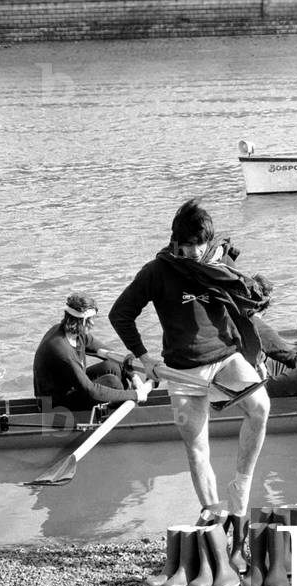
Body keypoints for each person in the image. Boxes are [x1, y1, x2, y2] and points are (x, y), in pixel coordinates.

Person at [109, 199, 270, 528]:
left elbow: (243, 312)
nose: (196, 251)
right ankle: (212, 513)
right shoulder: (157, 271)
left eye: (201, 243)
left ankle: (240, 486)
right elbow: (120, 315)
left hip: (225, 358)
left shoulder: (218, 266)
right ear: (176, 242)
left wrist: (258, 356)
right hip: (181, 370)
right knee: (197, 447)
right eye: (188, 244)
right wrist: (144, 358)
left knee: (261, 406)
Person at [33, 293, 151, 413]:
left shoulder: (75, 334)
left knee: (112, 366)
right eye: (89, 320)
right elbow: (91, 391)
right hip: (54, 406)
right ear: (76, 321)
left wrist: (133, 376)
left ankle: (123, 403)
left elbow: (110, 354)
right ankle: (127, 414)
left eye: (93, 318)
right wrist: (134, 395)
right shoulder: (62, 351)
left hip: (71, 387)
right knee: (112, 382)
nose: (93, 323)